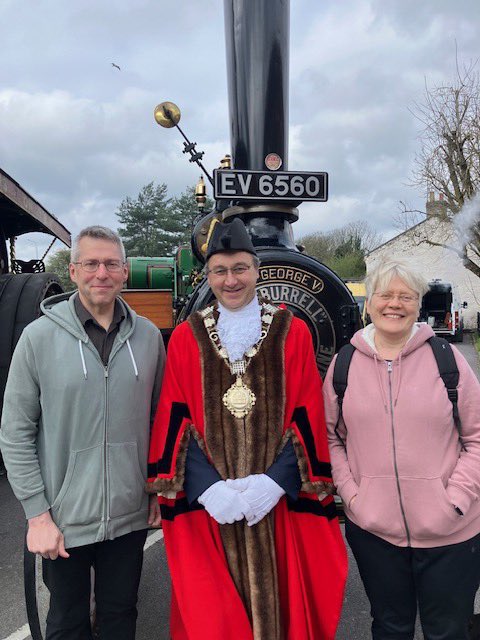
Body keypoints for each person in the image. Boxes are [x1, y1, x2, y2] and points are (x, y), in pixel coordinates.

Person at [147, 218, 347, 640]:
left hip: (275, 505)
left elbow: (307, 413)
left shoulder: (292, 333)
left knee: (282, 610)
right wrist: (208, 489)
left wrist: (273, 484)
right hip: (211, 507)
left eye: (239, 268)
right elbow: (174, 416)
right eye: (220, 271)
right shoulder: (185, 337)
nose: (231, 280)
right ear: (208, 276)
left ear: (256, 270)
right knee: (214, 616)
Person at [0, 225, 165, 640]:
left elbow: (160, 422)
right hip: (63, 520)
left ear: (125, 272)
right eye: (91, 263)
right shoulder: (37, 338)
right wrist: (37, 515)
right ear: (73, 271)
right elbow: (15, 433)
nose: (101, 273)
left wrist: (158, 489)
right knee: (67, 622)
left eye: (111, 264)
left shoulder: (148, 338)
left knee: (119, 617)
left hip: (129, 516)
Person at [323, 259, 480, 640]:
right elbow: (332, 438)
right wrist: (354, 495)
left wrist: (456, 498)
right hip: (375, 532)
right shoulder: (344, 364)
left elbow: (476, 438)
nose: (395, 304)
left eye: (405, 296)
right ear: (370, 301)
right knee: (390, 628)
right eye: (385, 294)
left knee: (449, 631)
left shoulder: (448, 360)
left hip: (452, 533)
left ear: (418, 303)